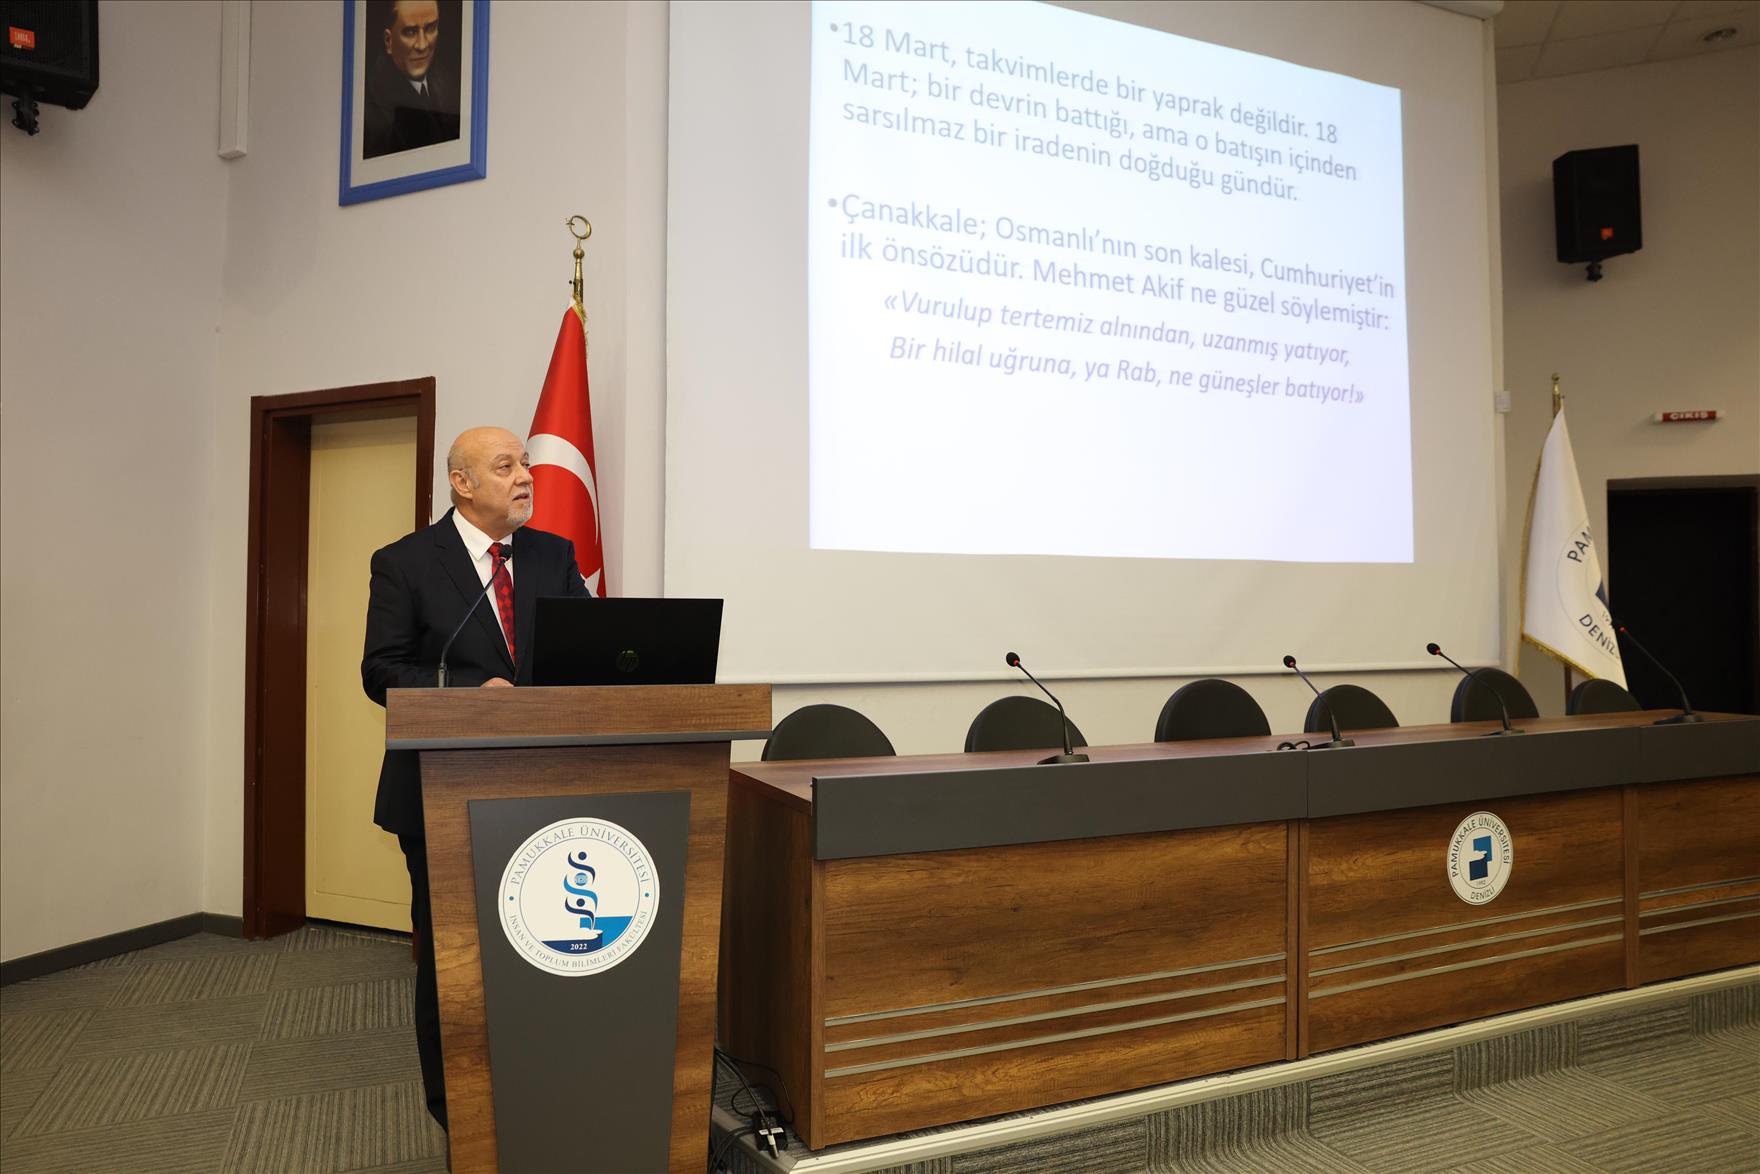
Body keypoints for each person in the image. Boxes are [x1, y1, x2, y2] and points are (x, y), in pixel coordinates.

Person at [361, 426, 593, 1129]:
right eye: (505, 466)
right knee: (454, 961)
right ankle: (455, 1114)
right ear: (461, 483)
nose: (526, 475)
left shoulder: (553, 555)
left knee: (542, 949)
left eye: (525, 463)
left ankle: (542, 1093)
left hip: (543, 792)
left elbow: (587, 652)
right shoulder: (405, 562)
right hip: (442, 792)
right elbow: (381, 671)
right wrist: (469, 693)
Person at [362, 0, 460, 160]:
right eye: (410, 32)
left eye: (430, 28)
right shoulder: (372, 108)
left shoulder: (449, 84)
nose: (422, 45)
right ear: (388, 41)